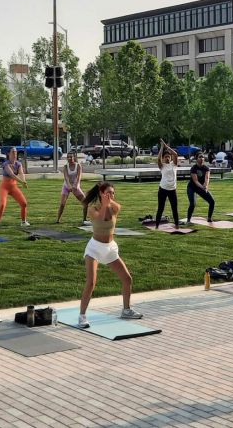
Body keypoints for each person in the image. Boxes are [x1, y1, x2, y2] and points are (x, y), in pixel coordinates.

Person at [77, 182, 142, 328]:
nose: (111, 195)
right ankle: (82, 316)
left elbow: (109, 215)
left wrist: (108, 202)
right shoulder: (92, 209)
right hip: (94, 248)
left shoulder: (115, 207)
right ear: (101, 193)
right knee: (91, 282)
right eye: (108, 193)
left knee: (127, 278)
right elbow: (100, 219)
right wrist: (104, 204)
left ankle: (126, 310)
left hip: (110, 248)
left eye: (113, 193)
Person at [0, 148, 30, 228]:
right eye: (13, 152)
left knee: (24, 203)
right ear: (8, 154)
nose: (15, 154)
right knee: (2, 204)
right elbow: (12, 175)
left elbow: (21, 173)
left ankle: (23, 222)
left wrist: (24, 181)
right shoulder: (5, 164)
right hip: (4, 187)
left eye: (16, 152)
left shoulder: (18, 164)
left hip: (13, 187)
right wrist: (22, 182)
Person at [56, 152, 89, 225]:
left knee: (85, 202)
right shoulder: (65, 166)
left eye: (71, 157)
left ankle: (84, 219)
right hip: (66, 186)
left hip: (75, 186)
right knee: (62, 204)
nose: (69, 159)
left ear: (74, 157)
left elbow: (78, 176)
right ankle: (58, 219)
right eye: (68, 157)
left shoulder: (78, 166)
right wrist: (69, 186)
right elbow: (66, 178)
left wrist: (76, 185)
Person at [155, 140, 181, 229]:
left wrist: (167, 146)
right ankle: (157, 226)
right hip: (163, 189)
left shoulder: (174, 165)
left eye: (168, 157)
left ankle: (177, 225)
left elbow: (176, 155)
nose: (167, 158)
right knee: (160, 208)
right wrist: (162, 147)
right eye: (165, 157)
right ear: (163, 158)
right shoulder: (162, 166)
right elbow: (158, 158)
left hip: (172, 190)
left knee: (174, 208)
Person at [186, 154, 216, 224]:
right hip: (192, 187)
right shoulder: (194, 168)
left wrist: (206, 186)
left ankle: (209, 218)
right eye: (200, 157)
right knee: (192, 204)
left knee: (212, 201)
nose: (202, 158)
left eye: (203, 157)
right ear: (197, 159)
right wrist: (203, 187)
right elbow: (195, 181)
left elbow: (207, 178)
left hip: (201, 187)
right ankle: (188, 220)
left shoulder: (206, 168)